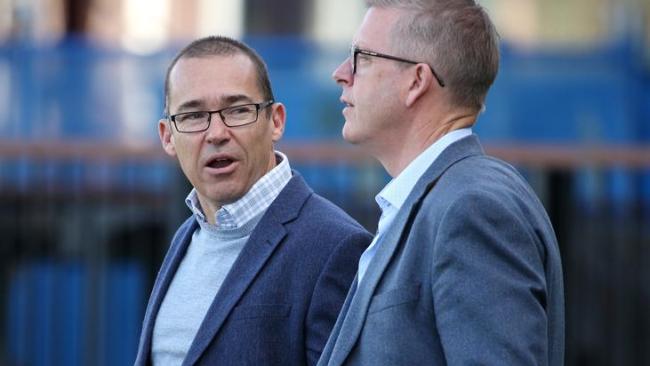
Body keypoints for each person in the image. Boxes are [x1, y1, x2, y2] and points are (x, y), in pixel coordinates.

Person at [318, 1, 565, 365]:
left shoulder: (474, 208)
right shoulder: (445, 198)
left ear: (416, 81)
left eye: (362, 58)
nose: (341, 73)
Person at [133, 36, 371, 366]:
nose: (216, 133)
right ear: (167, 137)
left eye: (238, 110)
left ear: (276, 121)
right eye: (192, 116)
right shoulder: (188, 236)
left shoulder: (336, 246)